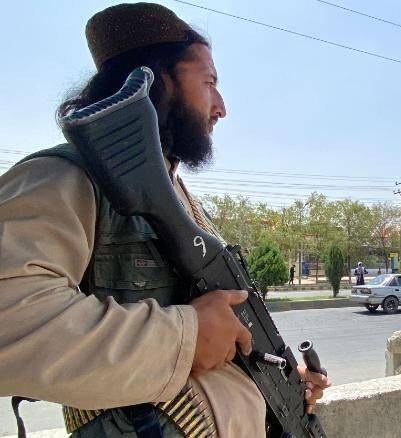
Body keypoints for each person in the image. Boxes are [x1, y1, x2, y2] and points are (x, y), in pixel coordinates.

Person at [0, 4, 329, 437]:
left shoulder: (178, 199)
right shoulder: (65, 176)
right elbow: (12, 317)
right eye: (209, 83)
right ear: (157, 80)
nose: (222, 107)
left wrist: (282, 381)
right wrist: (184, 337)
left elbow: (222, 341)